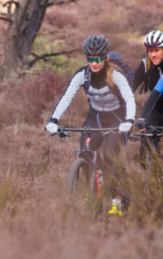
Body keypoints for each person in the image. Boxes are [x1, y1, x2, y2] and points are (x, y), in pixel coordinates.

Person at [44, 34, 135, 216]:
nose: (94, 63)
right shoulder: (82, 75)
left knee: (110, 157)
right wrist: (53, 120)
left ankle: (118, 199)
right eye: (91, 59)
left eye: (99, 59)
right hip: (95, 118)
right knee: (85, 151)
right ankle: (92, 191)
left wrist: (129, 121)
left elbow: (129, 99)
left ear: (105, 57)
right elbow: (67, 97)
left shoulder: (116, 75)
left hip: (117, 119)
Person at [132, 30, 163, 165]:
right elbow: (131, 88)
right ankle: (157, 168)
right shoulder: (145, 65)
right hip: (156, 111)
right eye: (150, 51)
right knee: (144, 152)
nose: (153, 55)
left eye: (157, 50)